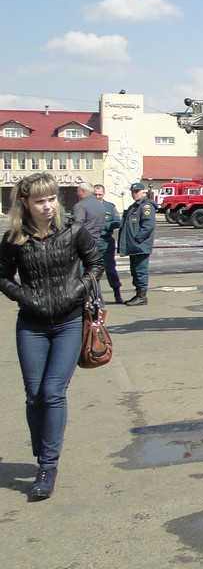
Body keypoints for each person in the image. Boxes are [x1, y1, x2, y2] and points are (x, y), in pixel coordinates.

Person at [0, 172, 104, 500]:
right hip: (30, 324)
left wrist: (77, 288)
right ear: (25, 204)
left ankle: (48, 466)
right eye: (39, 201)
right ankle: (42, 449)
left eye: (51, 199)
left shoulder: (73, 231)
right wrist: (22, 295)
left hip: (69, 323)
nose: (47, 207)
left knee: (52, 391)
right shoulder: (14, 239)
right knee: (33, 395)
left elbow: (96, 264)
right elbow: (2, 276)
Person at [118, 182, 156, 307]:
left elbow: (148, 226)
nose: (135, 194)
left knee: (140, 271)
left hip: (140, 246)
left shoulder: (146, 206)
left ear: (143, 192)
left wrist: (138, 238)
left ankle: (141, 296)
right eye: (133, 192)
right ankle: (138, 294)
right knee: (135, 270)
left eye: (137, 191)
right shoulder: (134, 206)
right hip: (134, 246)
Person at [93, 184, 124, 305]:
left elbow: (117, 222)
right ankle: (96, 297)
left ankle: (117, 292)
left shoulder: (109, 207)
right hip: (91, 242)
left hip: (106, 241)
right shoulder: (87, 207)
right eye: (95, 194)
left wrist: (103, 226)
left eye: (100, 194)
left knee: (110, 269)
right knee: (92, 271)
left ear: (103, 194)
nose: (97, 196)